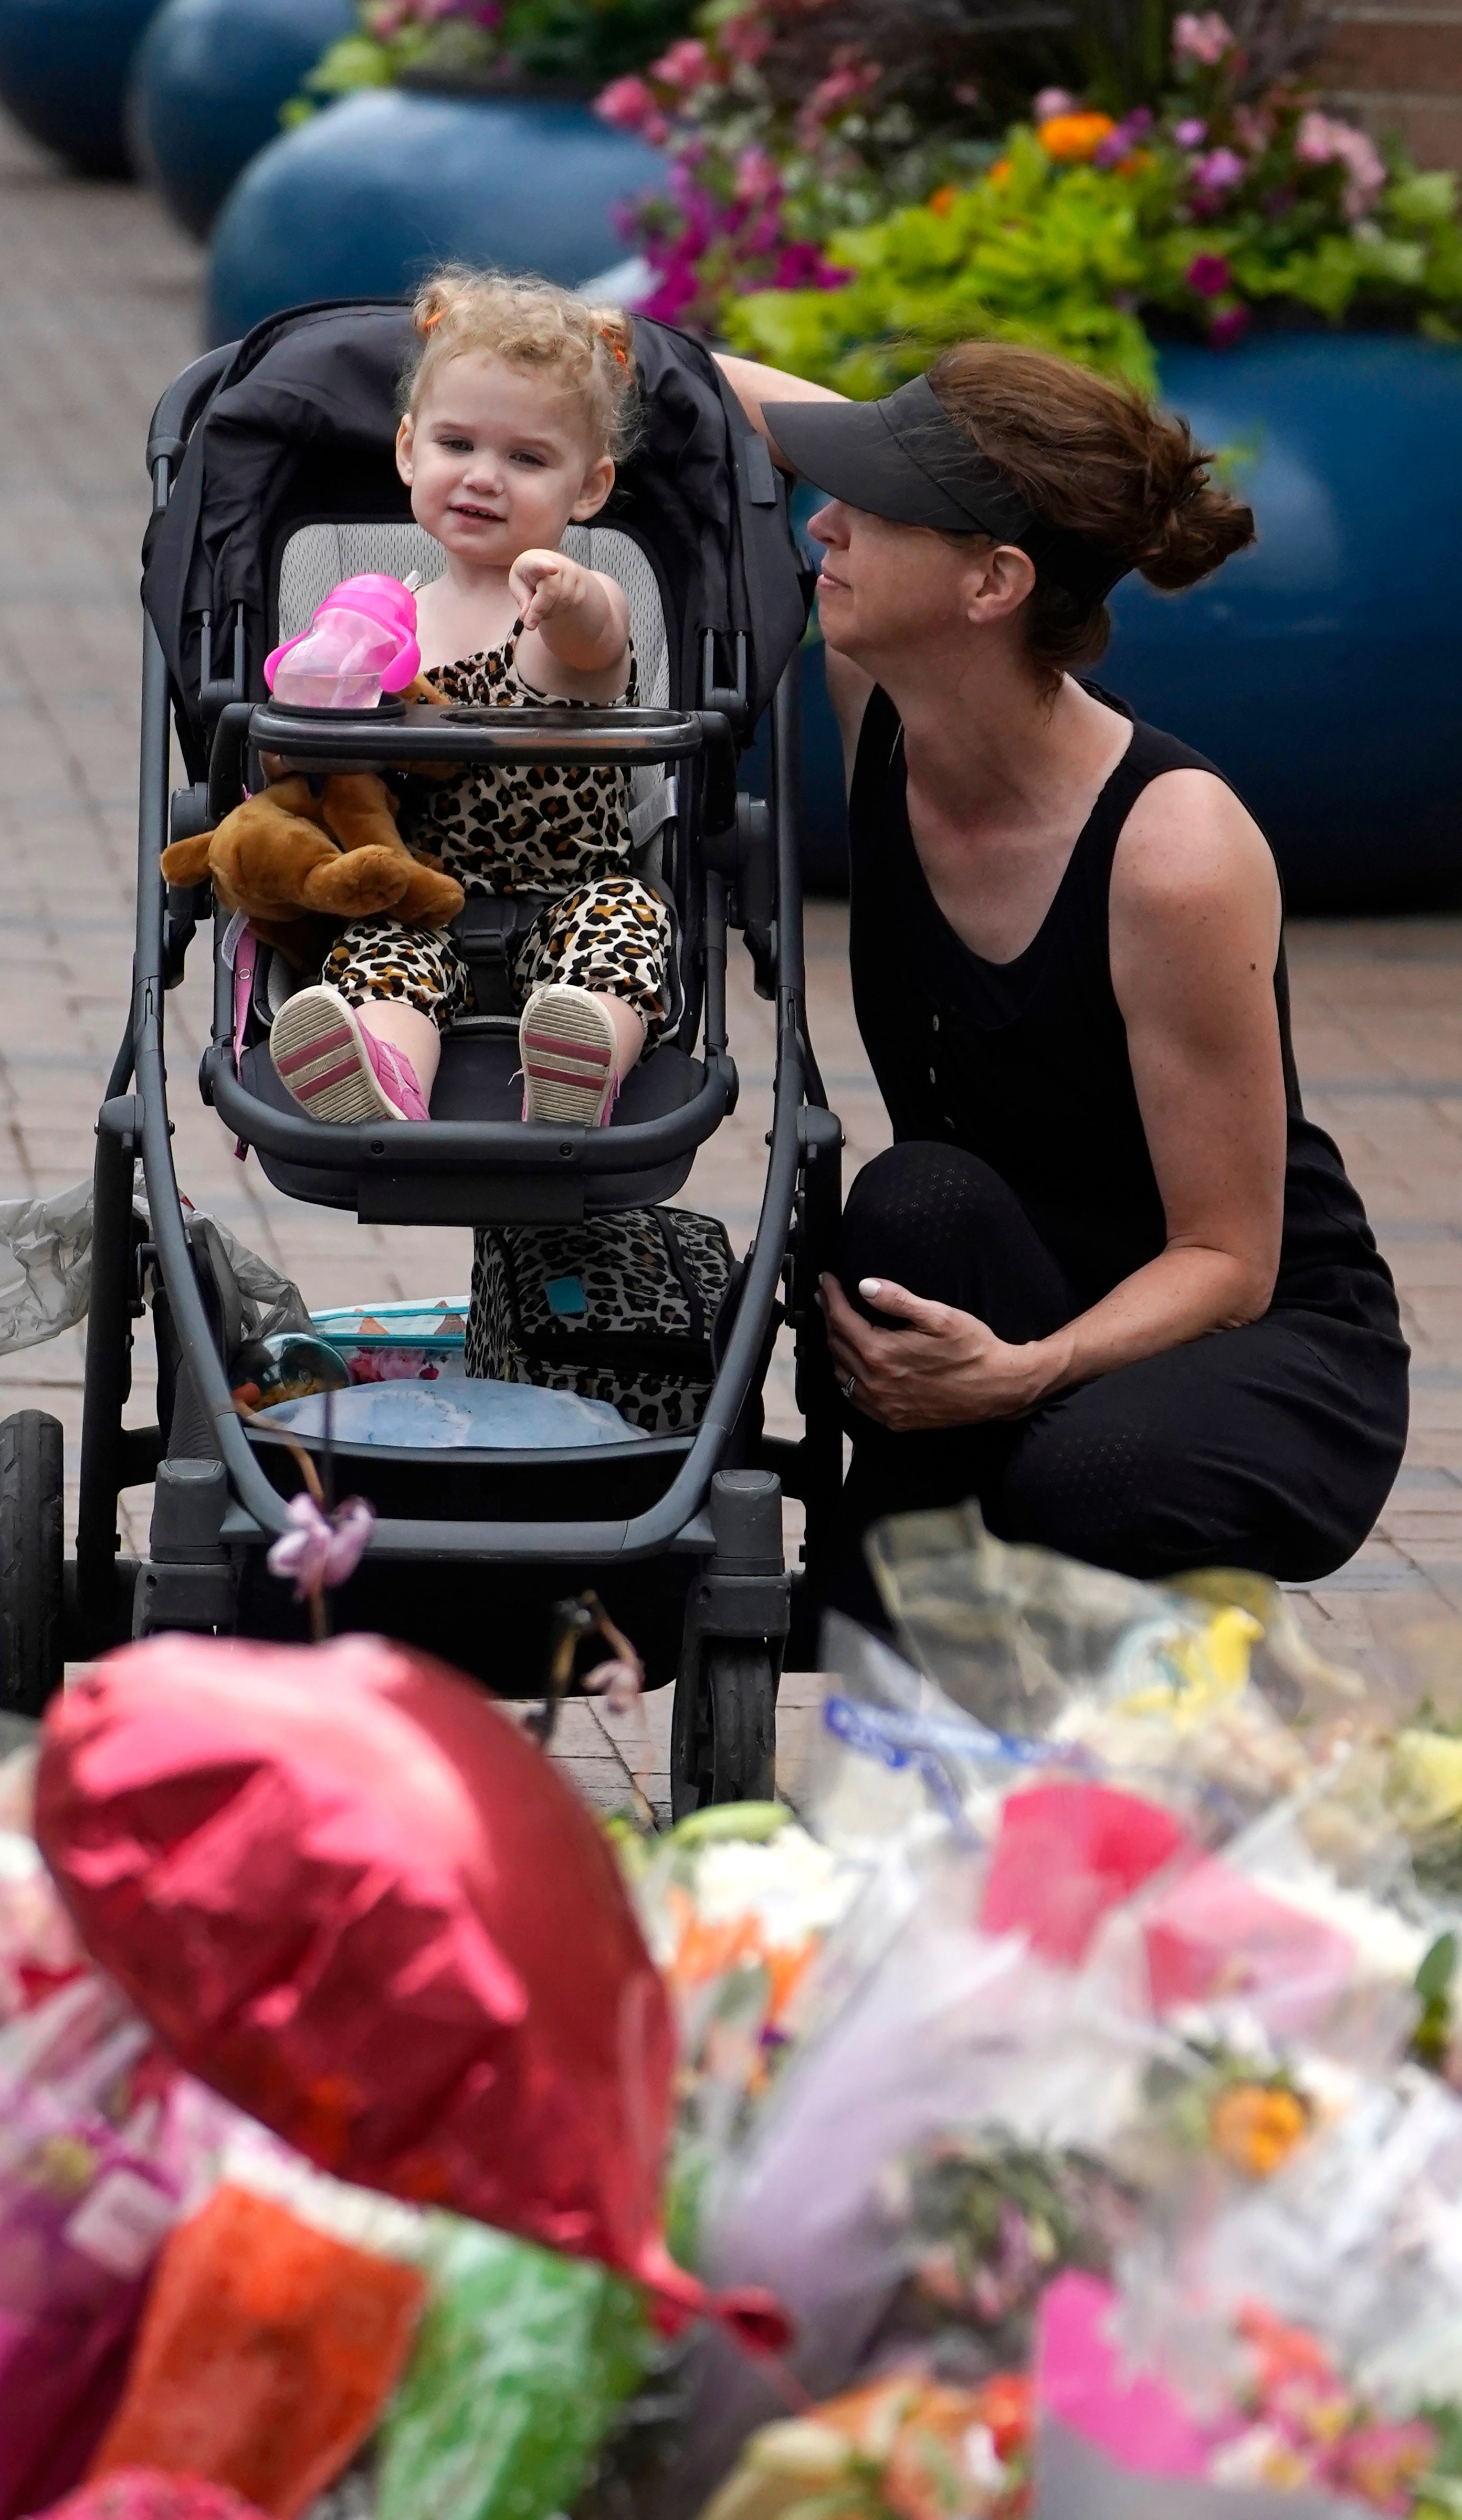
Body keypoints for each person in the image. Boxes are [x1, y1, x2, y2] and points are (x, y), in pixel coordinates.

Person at [717, 340, 1407, 1611]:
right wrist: (503, 350)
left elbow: (1227, 1259)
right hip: (1015, 1270)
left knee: (1081, 1475)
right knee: (912, 1198)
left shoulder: (1174, 850)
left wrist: (1023, 1374)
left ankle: (1033, 1603)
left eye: (872, 512)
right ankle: (916, 1600)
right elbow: (738, 395)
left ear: (994, 581)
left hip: (1242, 1332)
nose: (823, 527)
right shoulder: (886, 693)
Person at [270, 268, 671, 1131]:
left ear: (589, 488)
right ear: (409, 450)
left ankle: (583, 1059)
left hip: (572, 890)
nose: (484, 477)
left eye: (527, 459)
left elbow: (595, 643)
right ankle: (383, 1078)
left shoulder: (572, 604)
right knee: (376, 959)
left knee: (624, 932)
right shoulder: (391, 618)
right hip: (424, 899)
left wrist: (567, 594)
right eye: (457, 445)